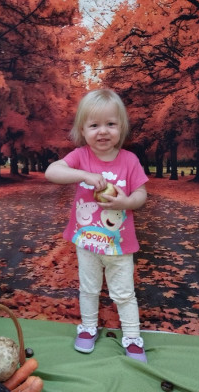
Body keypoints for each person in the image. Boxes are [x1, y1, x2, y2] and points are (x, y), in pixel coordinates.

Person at [45, 89, 148, 362]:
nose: (103, 131)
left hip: (119, 245)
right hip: (87, 242)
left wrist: (126, 202)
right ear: (83, 129)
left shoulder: (129, 160)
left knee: (124, 293)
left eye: (110, 124)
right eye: (94, 125)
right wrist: (85, 175)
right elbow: (52, 172)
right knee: (88, 288)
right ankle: (88, 327)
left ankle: (132, 337)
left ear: (121, 127)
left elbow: (141, 195)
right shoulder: (80, 156)